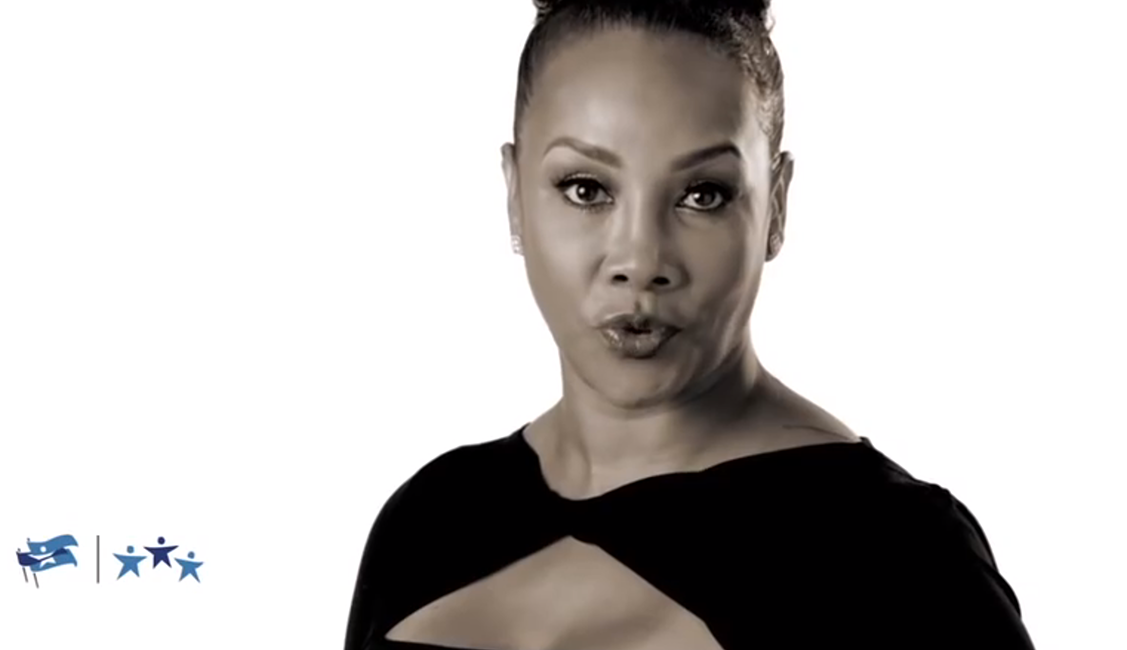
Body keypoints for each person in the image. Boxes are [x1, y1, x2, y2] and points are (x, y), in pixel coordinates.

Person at [344, 1, 1035, 648]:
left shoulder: (901, 558)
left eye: (703, 195)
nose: (641, 261)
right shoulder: (429, 521)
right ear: (514, 194)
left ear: (776, 207)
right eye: (586, 189)